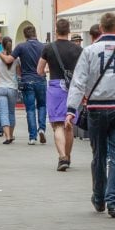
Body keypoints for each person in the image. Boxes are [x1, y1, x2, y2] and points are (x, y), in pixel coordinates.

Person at [67, 12, 115, 219]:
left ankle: (98, 197)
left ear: (100, 29)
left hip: (96, 110)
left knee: (99, 155)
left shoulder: (89, 51)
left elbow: (78, 82)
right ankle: (113, 202)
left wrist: (71, 110)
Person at [39, 19, 83, 171]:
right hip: (73, 88)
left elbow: (39, 70)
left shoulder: (49, 48)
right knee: (69, 124)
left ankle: (62, 156)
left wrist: (48, 71)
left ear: (56, 30)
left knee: (58, 124)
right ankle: (68, 157)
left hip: (55, 86)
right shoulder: (78, 49)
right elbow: (83, 71)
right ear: (69, 31)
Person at [8, 25, 47, 145]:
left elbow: (9, 60)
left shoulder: (21, 46)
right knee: (42, 105)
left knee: (30, 109)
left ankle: (32, 137)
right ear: (35, 33)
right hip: (41, 79)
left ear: (25, 35)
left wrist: (0, 55)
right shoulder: (44, 47)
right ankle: (41, 128)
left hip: (27, 80)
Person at [0, 36, 18, 145]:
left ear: (2, 45)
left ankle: (7, 136)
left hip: (0, 88)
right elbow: (19, 73)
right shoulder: (16, 58)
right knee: (11, 112)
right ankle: (11, 134)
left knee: (3, 113)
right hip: (12, 87)